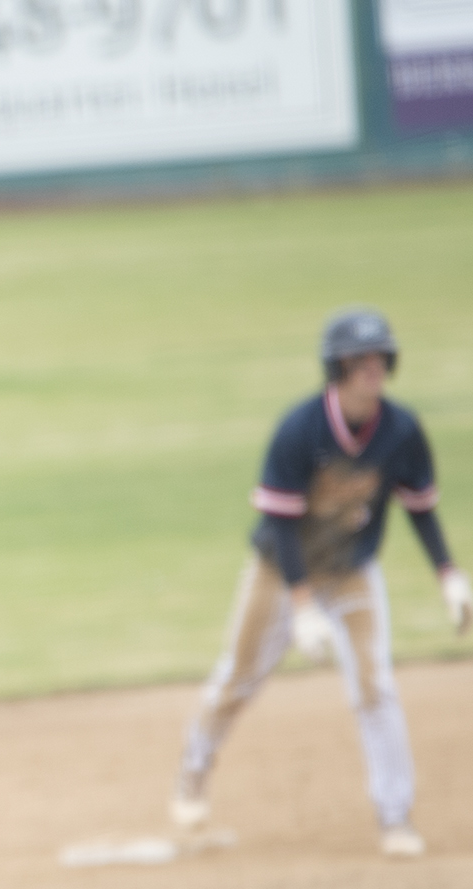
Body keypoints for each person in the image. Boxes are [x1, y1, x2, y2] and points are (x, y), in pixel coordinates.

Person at [173, 308, 468, 856]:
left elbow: (419, 508)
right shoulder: (300, 429)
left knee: (376, 687)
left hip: (352, 571)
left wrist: (449, 575)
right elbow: (281, 524)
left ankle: (395, 816)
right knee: (237, 679)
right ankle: (194, 771)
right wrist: (302, 606)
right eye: (360, 359)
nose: (372, 368)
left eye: (379, 357)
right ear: (336, 367)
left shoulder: (401, 430)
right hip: (278, 571)